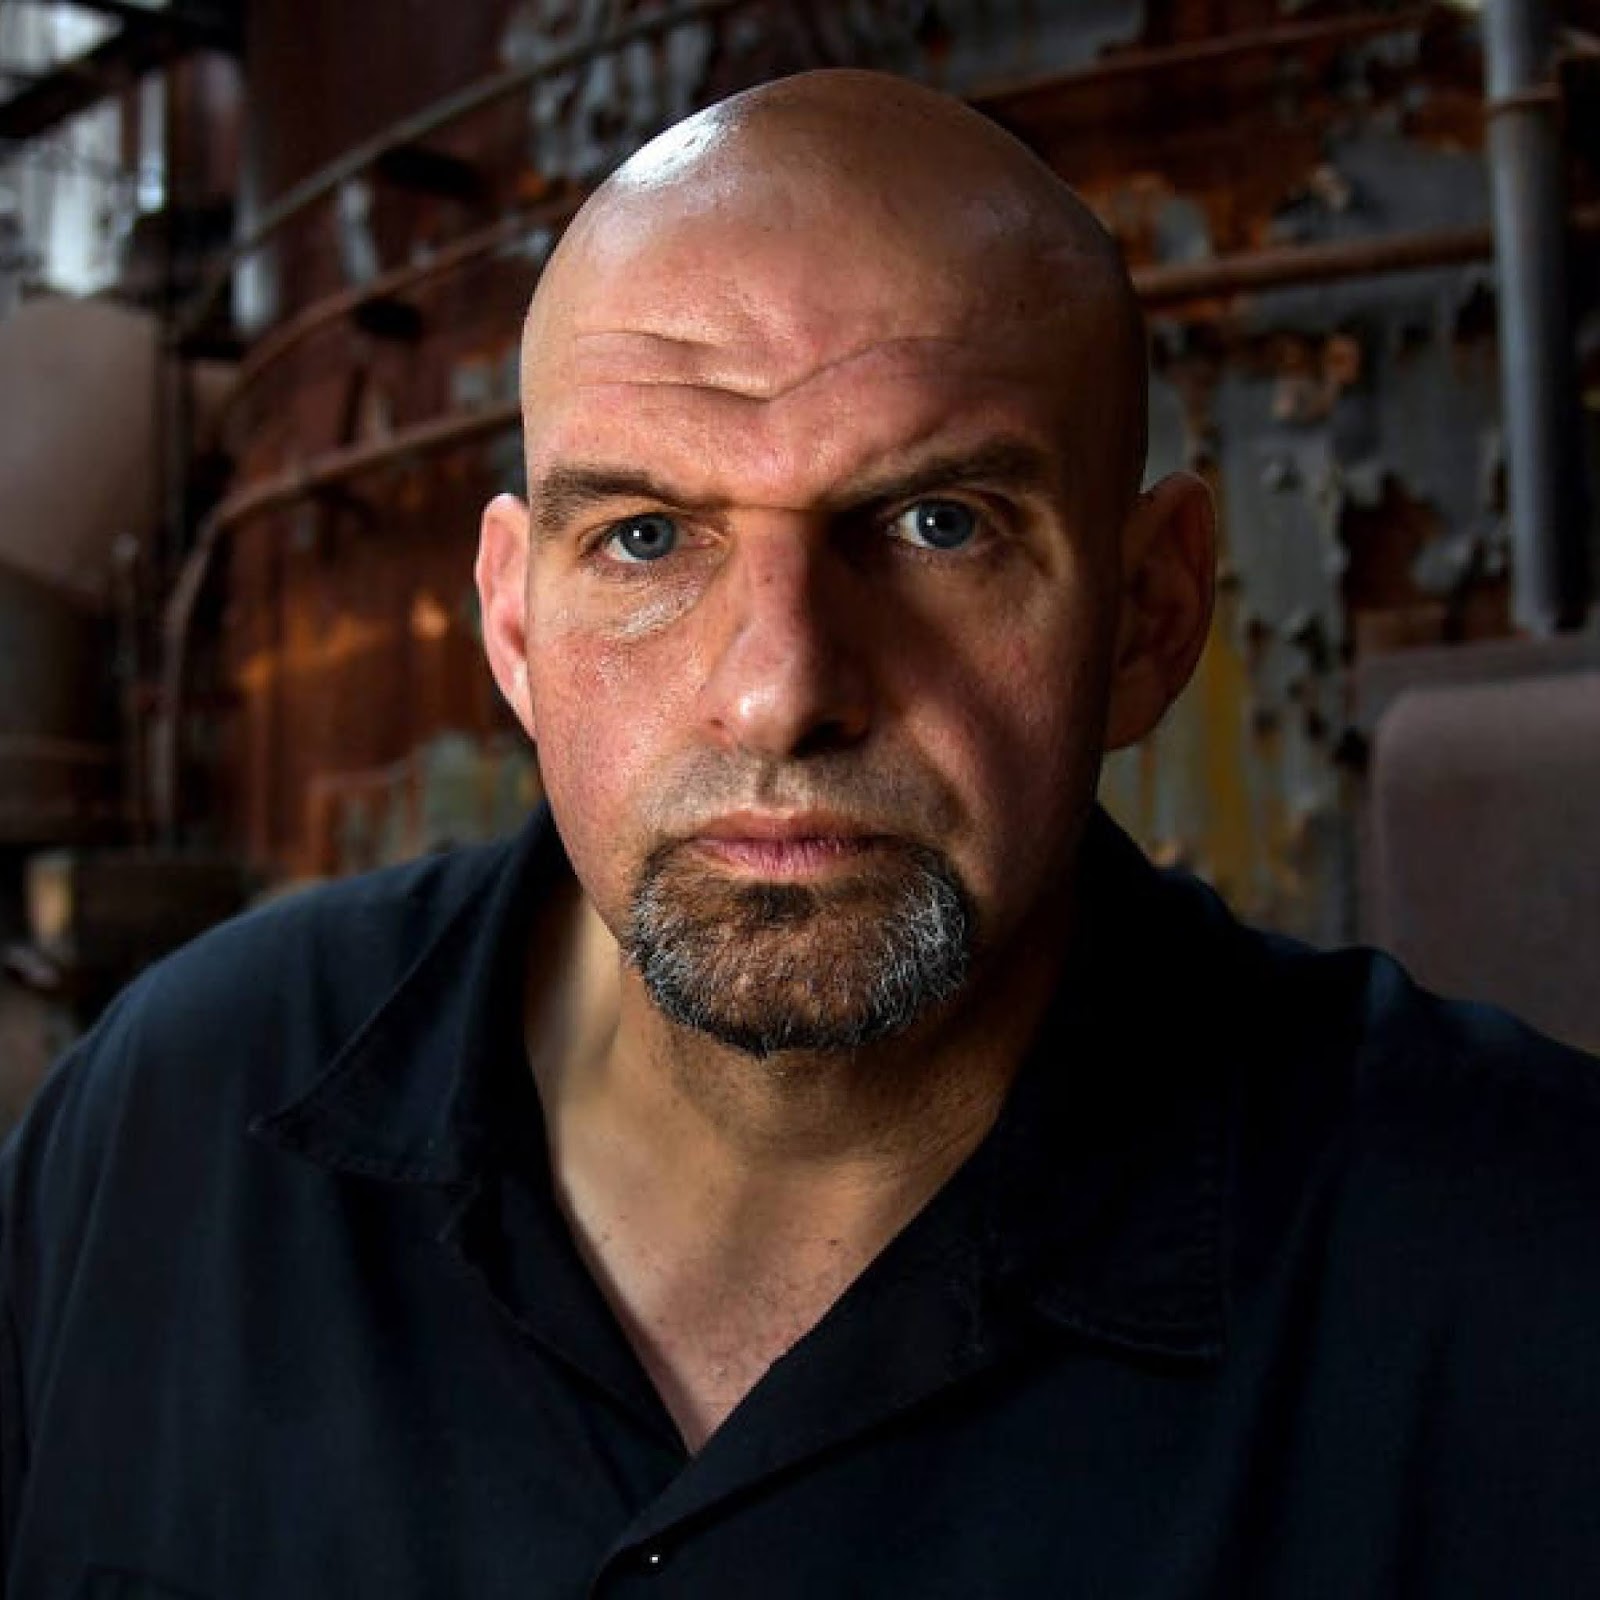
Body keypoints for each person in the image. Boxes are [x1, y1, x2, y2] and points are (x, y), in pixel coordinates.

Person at [2, 70, 1597, 1599]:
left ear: (1150, 613)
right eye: (645, 538)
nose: (778, 692)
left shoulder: (1521, 1277)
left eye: (938, 524)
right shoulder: (167, 1123)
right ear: (514, 627)